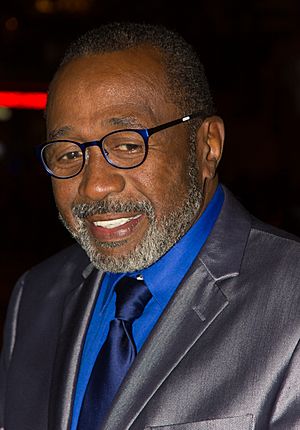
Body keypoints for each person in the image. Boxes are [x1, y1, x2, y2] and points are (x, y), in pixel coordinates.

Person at [0, 21, 300, 430]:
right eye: (70, 154)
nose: (95, 185)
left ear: (207, 145)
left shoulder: (291, 300)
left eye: (126, 145)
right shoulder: (35, 297)